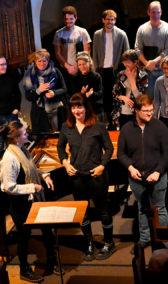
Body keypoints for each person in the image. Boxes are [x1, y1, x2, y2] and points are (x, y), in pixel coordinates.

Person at [57, 94, 115, 261]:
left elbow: (109, 148)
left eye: (79, 107)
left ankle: (108, 242)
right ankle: (89, 243)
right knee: (82, 212)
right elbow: (60, 147)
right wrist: (65, 164)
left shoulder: (98, 125)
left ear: (86, 108)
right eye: (74, 107)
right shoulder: (66, 127)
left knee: (103, 210)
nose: (76, 110)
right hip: (77, 177)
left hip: (97, 175)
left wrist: (102, 165)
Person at [0, 121, 58, 282]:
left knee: (46, 230)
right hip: (20, 205)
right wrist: (33, 187)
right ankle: (24, 269)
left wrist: (44, 175)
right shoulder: (9, 158)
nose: (28, 134)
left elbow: (30, 169)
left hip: (33, 200)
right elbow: (8, 187)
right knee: (24, 237)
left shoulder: (22, 149)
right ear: (16, 138)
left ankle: (51, 260)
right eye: (25, 133)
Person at [117, 94, 168, 248]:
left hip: (157, 176)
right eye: (146, 111)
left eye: (151, 110)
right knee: (142, 208)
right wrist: (130, 167)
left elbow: (167, 153)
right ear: (136, 110)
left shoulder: (160, 126)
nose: (150, 113)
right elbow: (121, 153)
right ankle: (145, 238)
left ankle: (163, 238)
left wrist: (158, 172)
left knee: (160, 208)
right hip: (137, 177)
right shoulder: (127, 129)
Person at [92, 9, 130, 129]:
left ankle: (117, 122)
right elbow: (94, 53)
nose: (110, 21)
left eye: (112, 19)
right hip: (102, 70)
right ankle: (108, 122)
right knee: (105, 97)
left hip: (116, 70)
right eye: (108, 19)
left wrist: (126, 70)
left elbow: (127, 53)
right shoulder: (97, 34)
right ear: (103, 20)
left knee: (117, 96)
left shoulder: (121, 34)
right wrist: (95, 69)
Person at [135, 1, 168, 99]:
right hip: (146, 71)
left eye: (158, 12)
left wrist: (154, 61)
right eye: (153, 12)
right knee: (148, 99)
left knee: (165, 99)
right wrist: (147, 64)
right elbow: (137, 48)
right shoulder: (142, 29)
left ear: (161, 12)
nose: (156, 15)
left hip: (164, 70)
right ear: (148, 12)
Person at [23, 49, 67, 133]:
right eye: (39, 61)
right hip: (39, 113)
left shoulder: (56, 71)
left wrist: (54, 93)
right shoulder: (30, 74)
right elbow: (28, 96)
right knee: (43, 140)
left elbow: (64, 89)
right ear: (35, 61)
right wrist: (38, 90)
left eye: (44, 61)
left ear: (48, 60)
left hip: (56, 110)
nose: (42, 64)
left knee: (59, 135)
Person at [53, 6, 91, 91]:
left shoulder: (82, 32)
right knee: (69, 94)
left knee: (82, 94)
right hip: (65, 70)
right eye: (66, 19)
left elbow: (87, 51)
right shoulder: (58, 33)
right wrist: (68, 67)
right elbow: (57, 53)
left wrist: (78, 66)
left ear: (75, 18)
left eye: (71, 19)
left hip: (81, 68)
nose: (68, 21)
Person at [111, 49, 148, 129]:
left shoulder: (143, 76)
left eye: (128, 62)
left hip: (136, 113)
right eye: (124, 62)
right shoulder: (121, 75)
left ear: (135, 62)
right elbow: (114, 93)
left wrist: (131, 79)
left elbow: (140, 98)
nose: (125, 65)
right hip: (122, 112)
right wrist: (123, 97)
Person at [70, 51, 104, 121]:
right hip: (81, 110)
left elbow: (100, 93)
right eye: (80, 65)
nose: (82, 67)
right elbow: (73, 96)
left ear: (89, 63)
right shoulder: (75, 78)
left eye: (84, 64)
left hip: (95, 109)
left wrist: (92, 93)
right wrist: (81, 94)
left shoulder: (96, 76)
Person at [0, 55, 21, 150]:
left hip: (11, 114)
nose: (3, 66)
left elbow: (18, 94)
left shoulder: (11, 78)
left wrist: (16, 109)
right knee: (0, 145)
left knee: (12, 143)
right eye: (0, 65)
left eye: (4, 64)